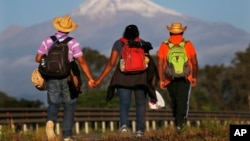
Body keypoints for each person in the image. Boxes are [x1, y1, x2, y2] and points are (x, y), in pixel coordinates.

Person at [35, 15, 95, 141]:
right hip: (69, 78)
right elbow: (82, 61)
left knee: (53, 103)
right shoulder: (73, 42)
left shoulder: (47, 40)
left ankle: (50, 123)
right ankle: (67, 135)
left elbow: (38, 59)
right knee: (70, 104)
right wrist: (90, 78)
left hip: (51, 77)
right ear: (69, 29)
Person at [94, 24, 158, 137]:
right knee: (141, 104)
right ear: (138, 33)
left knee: (124, 103)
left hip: (122, 78)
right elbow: (148, 61)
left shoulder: (118, 43)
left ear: (124, 33)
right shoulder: (142, 43)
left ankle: (124, 127)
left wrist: (99, 80)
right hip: (140, 78)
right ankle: (140, 131)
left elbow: (111, 64)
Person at [157, 22, 198, 131]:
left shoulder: (164, 44)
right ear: (182, 32)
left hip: (170, 78)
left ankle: (177, 122)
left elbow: (160, 63)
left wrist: (161, 79)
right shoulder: (188, 44)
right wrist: (194, 77)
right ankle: (180, 124)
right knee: (183, 100)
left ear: (170, 32)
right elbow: (194, 62)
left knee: (174, 100)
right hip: (186, 77)